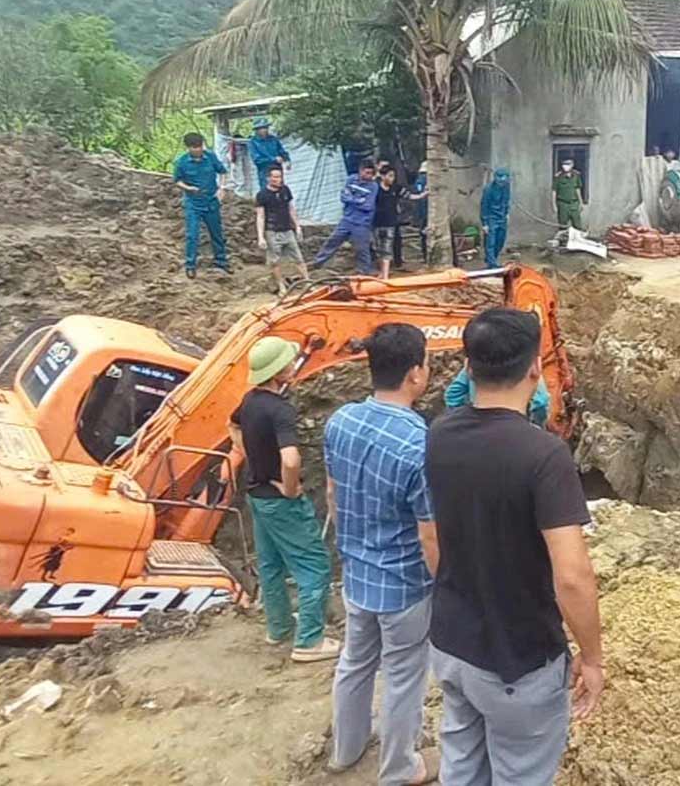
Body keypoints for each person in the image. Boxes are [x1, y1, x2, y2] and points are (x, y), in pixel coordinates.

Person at [427, 308, 603, 784]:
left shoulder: (439, 434)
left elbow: (439, 534)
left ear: (468, 367)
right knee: (520, 773)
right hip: (517, 660)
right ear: (533, 370)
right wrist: (591, 658)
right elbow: (572, 575)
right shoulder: (544, 455)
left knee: (462, 765)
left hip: (452, 644)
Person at [324, 324, 440, 785]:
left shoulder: (341, 421)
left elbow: (333, 493)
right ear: (415, 373)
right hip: (404, 585)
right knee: (404, 678)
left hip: (357, 575)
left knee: (354, 662)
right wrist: (448, 585)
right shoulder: (419, 444)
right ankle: (399, 770)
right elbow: (429, 534)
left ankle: (346, 750)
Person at [228, 337, 338, 663]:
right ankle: (309, 641)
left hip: (257, 497)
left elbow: (231, 425)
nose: (293, 365)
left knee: (271, 565)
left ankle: (278, 629)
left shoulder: (249, 402)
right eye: (288, 362)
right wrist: (290, 488)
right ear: (278, 371)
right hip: (280, 502)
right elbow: (290, 460)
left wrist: (252, 458)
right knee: (315, 568)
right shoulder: (280, 410)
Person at [172, 132, 232, 279]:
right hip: (193, 202)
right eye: (194, 147)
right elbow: (177, 180)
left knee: (216, 232)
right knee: (192, 234)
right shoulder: (182, 162)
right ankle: (190, 265)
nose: (198, 150)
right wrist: (187, 188)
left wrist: (222, 188)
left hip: (211, 200)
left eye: (200, 146)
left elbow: (223, 171)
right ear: (188, 148)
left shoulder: (210, 157)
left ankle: (221, 261)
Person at [311, 158, 379, 276]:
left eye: (371, 173)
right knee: (332, 241)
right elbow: (343, 197)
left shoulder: (373, 186)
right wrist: (358, 200)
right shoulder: (351, 179)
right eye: (366, 173)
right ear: (360, 171)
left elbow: (368, 205)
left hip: (362, 223)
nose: (368, 176)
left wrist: (352, 199)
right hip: (347, 219)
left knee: (362, 248)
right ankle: (317, 263)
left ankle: (365, 271)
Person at [255, 164, 309, 295]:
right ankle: (281, 286)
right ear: (269, 178)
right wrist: (261, 237)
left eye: (280, 177)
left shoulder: (285, 190)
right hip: (272, 231)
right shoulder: (262, 195)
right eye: (275, 177)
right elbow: (260, 216)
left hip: (287, 230)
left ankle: (308, 283)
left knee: (298, 258)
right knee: (275, 261)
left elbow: (291, 209)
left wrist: (297, 226)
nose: (278, 179)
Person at [444, 365, 551, 428]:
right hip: (517, 427)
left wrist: (466, 420)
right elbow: (541, 401)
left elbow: (453, 395)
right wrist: (535, 425)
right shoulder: (525, 362)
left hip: (477, 426)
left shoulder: (475, 363)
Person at [372, 165, 405, 280]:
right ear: (382, 176)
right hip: (376, 222)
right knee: (378, 249)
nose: (392, 179)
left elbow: (409, 195)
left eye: (393, 176)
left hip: (390, 222)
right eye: (390, 176)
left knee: (387, 248)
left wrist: (423, 194)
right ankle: (382, 272)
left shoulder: (396, 188)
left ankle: (385, 275)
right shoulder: (374, 188)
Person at [480, 167, 512, 269]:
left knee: (500, 240)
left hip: (502, 217)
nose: (503, 181)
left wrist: (507, 213)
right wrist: (484, 223)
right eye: (501, 179)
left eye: (505, 179)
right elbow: (484, 205)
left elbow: (506, 200)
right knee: (491, 242)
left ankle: (491, 259)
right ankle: (492, 264)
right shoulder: (488, 189)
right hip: (491, 217)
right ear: (496, 178)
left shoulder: (506, 186)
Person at [248, 117, 291, 184]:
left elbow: (282, 151)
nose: (265, 130)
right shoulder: (253, 142)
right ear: (257, 130)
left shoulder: (273, 139)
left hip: (278, 171)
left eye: (266, 127)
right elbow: (257, 160)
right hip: (265, 173)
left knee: (280, 190)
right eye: (262, 128)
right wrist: (273, 159)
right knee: (267, 192)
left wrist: (287, 160)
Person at [552, 159, 585, 229]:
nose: (565, 166)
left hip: (574, 203)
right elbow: (554, 191)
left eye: (567, 164)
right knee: (562, 224)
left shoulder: (576, 175)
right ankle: (563, 239)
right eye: (564, 164)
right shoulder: (558, 176)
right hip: (563, 204)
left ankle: (577, 239)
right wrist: (554, 205)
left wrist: (581, 203)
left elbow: (577, 189)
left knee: (577, 225)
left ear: (572, 165)